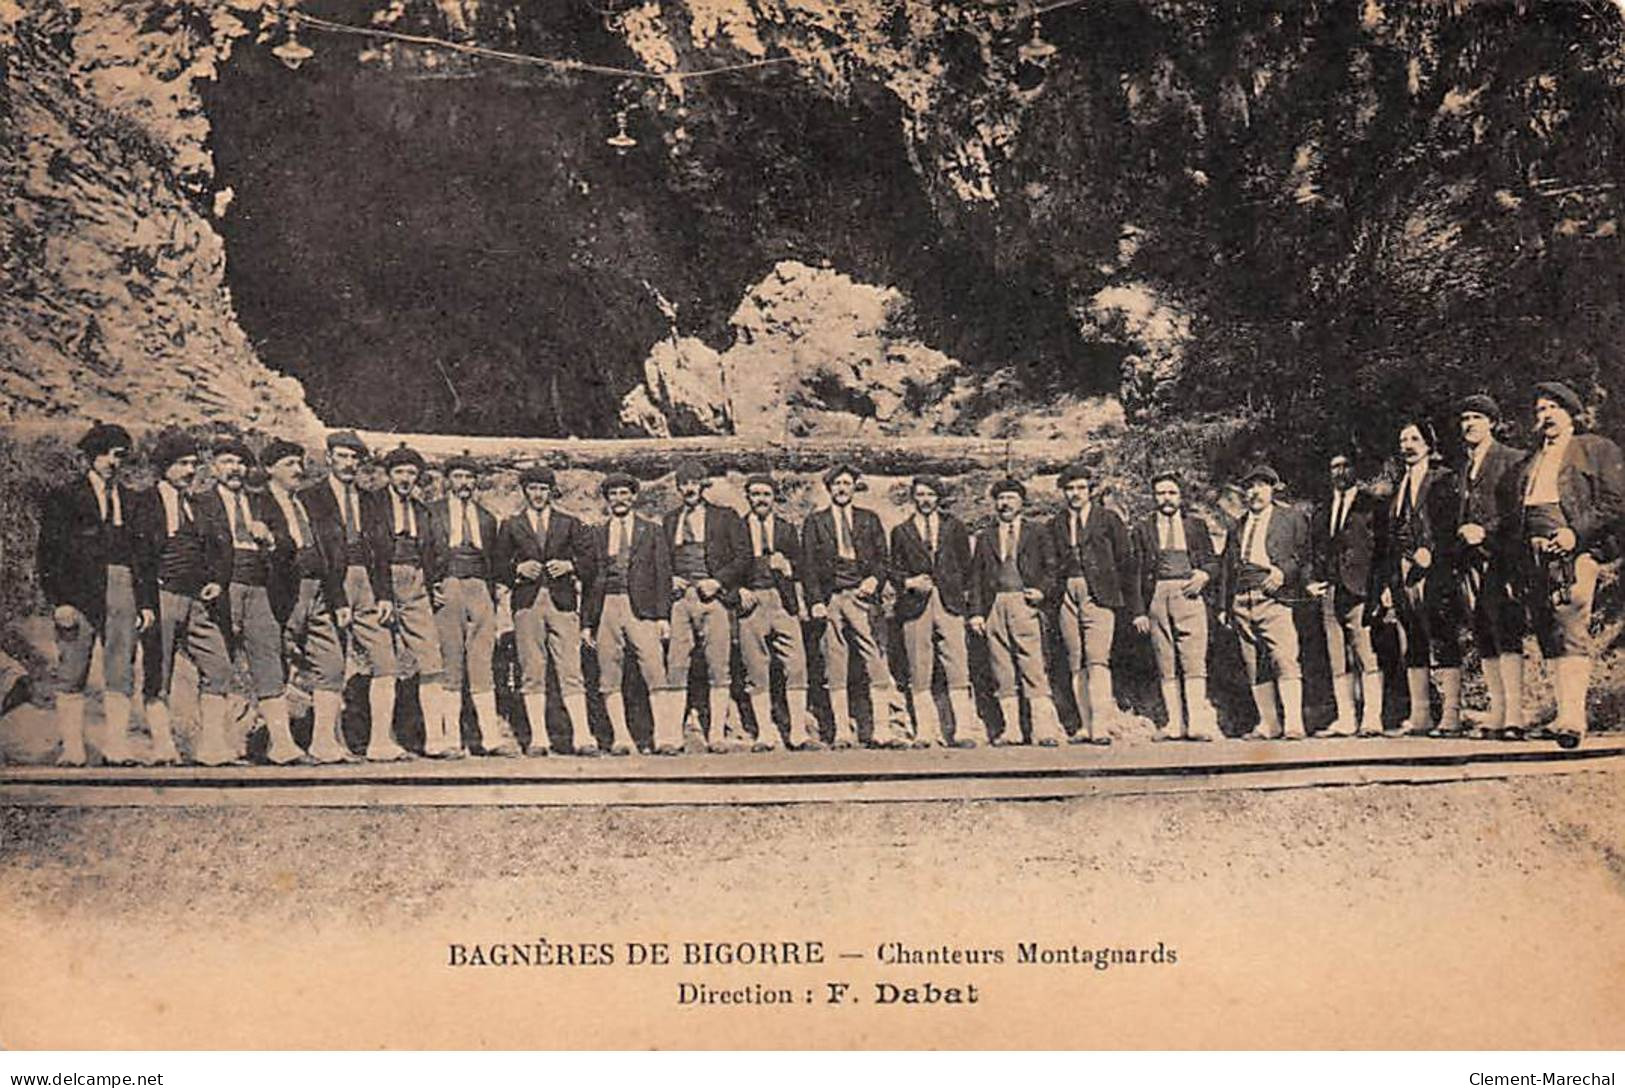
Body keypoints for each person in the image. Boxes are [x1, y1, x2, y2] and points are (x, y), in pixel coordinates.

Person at [1512, 381, 1625, 748]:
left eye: (1553, 409)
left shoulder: (1593, 449)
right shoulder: (1531, 460)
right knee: (1549, 629)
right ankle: (1563, 714)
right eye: (1541, 410)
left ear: (1570, 413)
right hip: (1535, 553)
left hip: (1578, 550)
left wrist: (1575, 534)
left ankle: (1574, 719)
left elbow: (1613, 501)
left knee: (1572, 621)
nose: (1546, 416)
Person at [38, 422, 156, 766]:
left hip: (122, 585)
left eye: (121, 457)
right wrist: (60, 600)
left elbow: (144, 558)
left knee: (121, 667)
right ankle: (72, 748)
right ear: (93, 455)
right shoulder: (65, 497)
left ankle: (116, 746)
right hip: (78, 590)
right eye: (110, 455)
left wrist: (145, 603)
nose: (114, 463)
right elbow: (49, 553)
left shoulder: (131, 501)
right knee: (73, 667)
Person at [193, 436, 302, 763]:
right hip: (220, 590)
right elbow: (191, 548)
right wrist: (205, 582)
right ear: (213, 467)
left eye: (240, 462)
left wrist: (270, 538)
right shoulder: (201, 502)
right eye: (227, 461)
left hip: (259, 590)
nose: (235, 469)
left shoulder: (262, 502)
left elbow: (289, 545)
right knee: (217, 665)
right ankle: (212, 744)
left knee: (268, 662)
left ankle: (282, 744)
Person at [133, 430, 234, 765]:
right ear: (164, 467)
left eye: (193, 463)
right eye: (181, 464)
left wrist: (215, 582)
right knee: (157, 672)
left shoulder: (197, 503)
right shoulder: (144, 502)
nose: (190, 470)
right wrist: (145, 603)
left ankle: (213, 746)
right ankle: (163, 747)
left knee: (218, 667)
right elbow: (139, 558)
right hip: (161, 596)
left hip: (197, 600)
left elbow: (216, 549)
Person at [301, 431, 399, 761]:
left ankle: (381, 742)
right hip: (332, 583)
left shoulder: (371, 499)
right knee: (330, 664)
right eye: (341, 456)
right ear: (329, 458)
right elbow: (320, 552)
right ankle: (323, 742)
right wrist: (336, 599)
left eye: (354, 458)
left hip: (367, 583)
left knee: (385, 661)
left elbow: (383, 550)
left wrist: (384, 595)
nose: (348, 463)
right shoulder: (310, 497)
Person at [800, 464, 908, 749]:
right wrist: (815, 602)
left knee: (874, 658)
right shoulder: (815, 522)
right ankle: (842, 731)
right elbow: (808, 565)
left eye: (847, 483)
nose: (842, 489)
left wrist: (874, 579)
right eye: (836, 484)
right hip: (832, 598)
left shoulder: (869, 519)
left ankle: (882, 728)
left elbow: (883, 558)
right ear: (829, 488)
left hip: (862, 597)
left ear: (854, 487)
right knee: (835, 662)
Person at [261, 438, 354, 763]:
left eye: (299, 463)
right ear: (269, 469)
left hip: (319, 592)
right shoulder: (259, 504)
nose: (297, 470)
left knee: (331, 664)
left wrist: (337, 598)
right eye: (288, 464)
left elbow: (328, 552)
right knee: (275, 664)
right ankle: (280, 744)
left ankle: (323, 742)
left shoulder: (306, 502)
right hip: (283, 592)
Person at [496, 464, 595, 755]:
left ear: (551, 491)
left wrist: (570, 565)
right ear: (525, 491)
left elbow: (590, 562)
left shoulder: (569, 523)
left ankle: (582, 736)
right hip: (527, 604)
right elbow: (498, 566)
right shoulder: (512, 525)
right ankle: (538, 738)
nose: (538, 494)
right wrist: (517, 569)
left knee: (570, 668)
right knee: (531, 669)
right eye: (532, 489)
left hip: (562, 603)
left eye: (543, 489)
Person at [1373, 419, 1463, 736]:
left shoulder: (1443, 479)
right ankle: (1421, 715)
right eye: (1403, 440)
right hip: (1402, 572)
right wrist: (1388, 583)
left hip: (1435, 571)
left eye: (1414, 439)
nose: (1407, 445)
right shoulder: (1398, 488)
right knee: (1413, 640)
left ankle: (1451, 715)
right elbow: (1390, 539)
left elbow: (1450, 525)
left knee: (1443, 636)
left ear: (1428, 444)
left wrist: (1434, 553)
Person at [426, 452, 515, 758]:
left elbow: (499, 560)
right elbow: (424, 554)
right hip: (448, 585)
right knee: (450, 661)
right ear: (448, 480)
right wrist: (429, 588)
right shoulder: (431, 513)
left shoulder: (488, 518)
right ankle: (451, 738)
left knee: (482, 662)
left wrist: (497, 590)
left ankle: (490, 738)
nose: (464, 483)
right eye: (458, 477)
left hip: (480, 590)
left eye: (469, 478)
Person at [583, 473, 677, 755]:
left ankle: (664, 736)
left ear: (633, 497)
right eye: (613, 495)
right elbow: (590, 581)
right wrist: (587, 622)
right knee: (609, 672)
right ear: (608, 500)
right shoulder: (597, 533)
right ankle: (621, 737)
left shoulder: (651, 530)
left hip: (642, 608)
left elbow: (663, 574)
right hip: (607, 607)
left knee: (653, 669)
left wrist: (663, 616)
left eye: (624, 494)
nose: (619, 499)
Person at [969, 477, 1066, 746]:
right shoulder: (986, 536)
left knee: (1033, 665)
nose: (1005, 504)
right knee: (1001, 668)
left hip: (1025, 604)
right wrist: (977, 613)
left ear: (1021, 502)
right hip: (995, 605)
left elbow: (1052, 568)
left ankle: (1043, 729)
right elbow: (976, 577)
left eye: (1010, 498)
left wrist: (1042, 591)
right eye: (1000, 499)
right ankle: (1011, 729)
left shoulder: (1037, 532)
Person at [1455, 395, 1529, 739]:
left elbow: (1520, 514)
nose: (1468, 424)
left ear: (1492, 423)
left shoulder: (1512, 460)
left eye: (1476, 418)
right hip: (1471, 563)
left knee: (1507, 633)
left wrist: (1485, 531)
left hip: (1503, 558)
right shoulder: (1463, 467)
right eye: (1465, 419)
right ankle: (1498, 713)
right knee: (1483, 633)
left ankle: (1515, 714)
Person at [1048, 461, 1139, 743]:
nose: (1075, 493)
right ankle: (1085, 724)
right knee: (1076, 661)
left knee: (1097, 659)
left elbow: (1127, 562)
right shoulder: (1056, 523)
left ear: (1090, 490)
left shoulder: (1108, 519)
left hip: (1099, 594)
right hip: (1067, 594)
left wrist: (1131, 606)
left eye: (1080, 488)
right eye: (1069, 489)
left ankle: (1101, 725)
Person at [1217, 465, 1310, 740]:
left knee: (1284, 658)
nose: (1254, 492)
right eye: (1250, 487)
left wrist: (1282, 573)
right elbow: (1226, 567)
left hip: (1274, 597)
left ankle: (1293, 723)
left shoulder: (1290, 518)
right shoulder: (1239, 525)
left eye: (1261, 485)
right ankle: (1269, 724)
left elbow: (1305, 555)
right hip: (1242, 599)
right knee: (1253, 663)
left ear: (1272, 489)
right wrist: (1224, 606)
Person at [363, 444, 443, 761]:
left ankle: (435, 739)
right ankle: (380, 740)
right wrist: (381, 593)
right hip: (381, 582)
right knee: (384, 663)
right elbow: (370, 552)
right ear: (388, 474)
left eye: (411, 472)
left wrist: (431, 582)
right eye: (399, 472)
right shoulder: (371, 504)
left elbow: (431, 552)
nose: (406, 478)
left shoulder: (422, 510)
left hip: (416, 581)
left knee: (431, 660)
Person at [889, 475, 981, 748]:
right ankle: (925, 731)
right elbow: (892, 569)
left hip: (949, 603)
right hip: (916, 606)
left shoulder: (955, 527)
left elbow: (968, 568)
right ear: (913, 497)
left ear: (938, 497)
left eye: (930, 495)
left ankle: (963, 730)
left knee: (957, 666)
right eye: (920, 495)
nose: (925, 500)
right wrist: (908, 582)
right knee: (919, 668)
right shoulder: (901, 531)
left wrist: (963, 599)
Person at [662, 463, 749, 752]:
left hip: (714, 600)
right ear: (678, 488)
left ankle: (717, 733)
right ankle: (674, 734)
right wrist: (669, 578)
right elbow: (661, 560)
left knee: (718, 664)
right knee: (676, 664)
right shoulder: (670, 520)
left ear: (704, 485)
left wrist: (718, 582)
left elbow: (743, 557)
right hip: (680, 601)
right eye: (683, 483)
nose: (689, 488)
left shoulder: (725, 517)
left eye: (694, 482)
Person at [1130, 471, 1219, 741]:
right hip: (1157, 595)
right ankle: (1174, 723)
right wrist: (1138, 611)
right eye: (1160, 493)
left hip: (1189, 594)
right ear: (1153, 497)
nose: (1166, 499)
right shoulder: (1143, 528)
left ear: (1180, 496)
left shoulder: (1196, 526)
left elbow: (1213, 561)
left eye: (1171, 493)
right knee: (1165, 660)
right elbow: (1134, 572)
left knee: (1193, 659)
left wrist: (1204, 575)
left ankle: (1197, 723)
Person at [736, 474, 821, 751]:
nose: (761, 499)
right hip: (751, 604)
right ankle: (764, 733)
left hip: (783, 602)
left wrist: (789, 568)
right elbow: (723, 564)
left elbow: (804, 565)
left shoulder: (785, 528)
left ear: (774, 499)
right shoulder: (736, 528)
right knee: (755, 667)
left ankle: (797, 732)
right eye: (755, 494)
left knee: (796, 664)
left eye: (766, 494)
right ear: (748, 497)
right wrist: (737, 590)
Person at [1308, 451, 1383, 737]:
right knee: (1336, 656)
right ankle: (1346, 718)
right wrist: (1312, 581)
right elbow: (1315, 550)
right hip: (1330, 590)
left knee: (1366, 654)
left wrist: (1379, 588)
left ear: (1355, 469)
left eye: (1344, 465)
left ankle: (1372, 717)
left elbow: (1382, 549)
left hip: (1361, 589)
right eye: (1333, 467)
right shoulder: (1322, 509)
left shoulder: (1372, 504)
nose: (1339, 472)